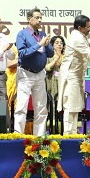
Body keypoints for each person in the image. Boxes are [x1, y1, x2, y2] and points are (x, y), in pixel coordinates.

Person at [14, 7, 54, 136]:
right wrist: (39, 45)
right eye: (36, 17)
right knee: (22, 107)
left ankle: (40, 136)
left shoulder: (42, 35)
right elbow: (22, 53)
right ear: (28, 19)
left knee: (41, 107)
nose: (39, 20)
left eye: (41, 18)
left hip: (40, 74)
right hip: (26, 73)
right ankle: (18, 135)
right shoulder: (22, 34)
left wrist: (47, 44)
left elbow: (50, 53)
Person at [45, 35, 66, 119]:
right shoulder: (49, 56)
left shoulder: (66, 57)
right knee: (52, 103)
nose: (59, 45)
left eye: (61, 43)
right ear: (52, 45)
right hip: (52, 82)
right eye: (57, 43)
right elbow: (47, 68)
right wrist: (55, 60)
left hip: (64, 83)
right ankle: (53, 124)